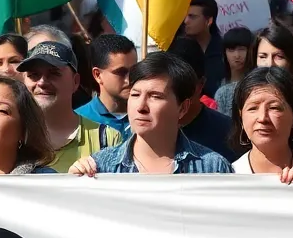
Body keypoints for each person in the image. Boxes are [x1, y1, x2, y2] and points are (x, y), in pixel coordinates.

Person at [70, 53, 234, 175]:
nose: (141, 107)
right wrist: (73, 184)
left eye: (155, 96)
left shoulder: (213, 168)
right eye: (135, 95)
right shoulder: (101, 168)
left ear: (182, 108)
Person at [18, 41, 120, 172]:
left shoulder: (107, 139)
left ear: (75, 82)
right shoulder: (11, 136)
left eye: (54, 73)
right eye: (34, 75)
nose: (42, 82)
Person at [166, 37, 235, 158]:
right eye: (170, 85)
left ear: (201, 84)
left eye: (184, 85)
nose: (177, 92)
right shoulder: (150, 128)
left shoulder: (229, 132)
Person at [75, 33, 137, 136]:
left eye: (135, 70)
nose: (129, 79)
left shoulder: (149, 115)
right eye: (121, 72)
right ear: (98, 75)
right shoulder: (78, 120)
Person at [182, 0, 226, 94]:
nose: (186, 21)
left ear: (208, 21)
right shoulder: (179, 50)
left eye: (192, 17)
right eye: (185, 16)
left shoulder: (225, 50)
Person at [213, 25, 253, 103]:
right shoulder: (218, 83)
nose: (237, 55)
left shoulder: (257, 82)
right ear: (225, 53)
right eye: (231, 50)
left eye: (242, 49)